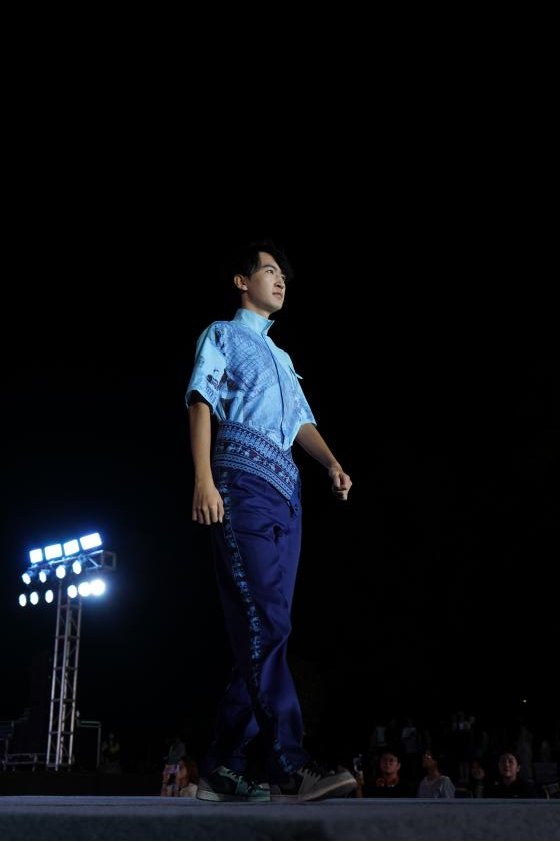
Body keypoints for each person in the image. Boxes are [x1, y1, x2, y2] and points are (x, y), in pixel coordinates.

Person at [186, 240, 356, 804]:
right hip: (240, 485)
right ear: (242, 281)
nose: (280, 279)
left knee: (264, 628)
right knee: (265, 621)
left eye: (284, 274)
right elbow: (200, 399)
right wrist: (204, 480)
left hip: (287, 495)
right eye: (269, 270)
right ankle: (289, 764)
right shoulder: (222, 335)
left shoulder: (281, 357)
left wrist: (331, 463)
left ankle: (222, 766)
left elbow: (300, 420)